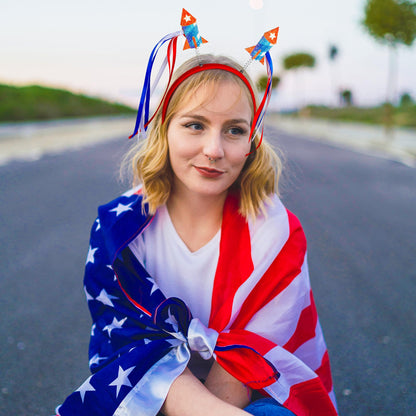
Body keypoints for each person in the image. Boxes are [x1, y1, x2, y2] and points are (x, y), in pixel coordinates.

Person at [55, 25, 338, 416]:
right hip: (152, 390)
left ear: (251, 144)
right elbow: (130, 347)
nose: (214, 149)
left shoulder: (276, 232)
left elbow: (250, 359)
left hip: (248, 393)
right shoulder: (117, 232)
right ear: (164, 130)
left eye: (235, 130)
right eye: (195, 125)